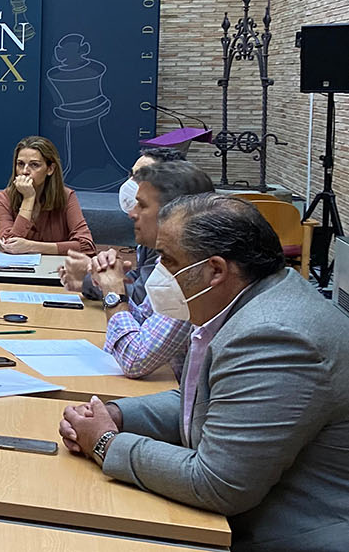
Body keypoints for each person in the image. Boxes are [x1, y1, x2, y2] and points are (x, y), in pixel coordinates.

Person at [59, 194, 349, 551]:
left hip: (288, 536)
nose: (158, 274)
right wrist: (117, 415)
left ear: (215, 270)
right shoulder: (259, 297)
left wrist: (105, 443)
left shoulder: (273, 337)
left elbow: (217, 483)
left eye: (168, 260)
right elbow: (206, 399)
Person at [83, 160, 213, 378]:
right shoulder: (168, 260)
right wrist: (109, 281)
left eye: (141, 205)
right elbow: (144, 319)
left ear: (175, 213)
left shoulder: (192, 270)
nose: (131, 213)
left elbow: (135, 360)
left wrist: (114, 293)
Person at [61, 145, 186, 296]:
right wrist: (103, 274)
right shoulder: (148, 227)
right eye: (131, 175)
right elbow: (138, 279)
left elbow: (141, 296)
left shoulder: (172, 235)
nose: (130, 183)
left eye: (140, 177)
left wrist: (97, 275)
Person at [0, 135, 94, 256]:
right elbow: (9, 244)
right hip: (19, 271)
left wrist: (31, 246)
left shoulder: (67, 196)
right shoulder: (3, 198)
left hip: (57, 271)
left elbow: (87, 246)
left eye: (34, 165)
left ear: (50, 169)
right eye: (20, 164)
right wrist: (28, 199)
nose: (25, 171)